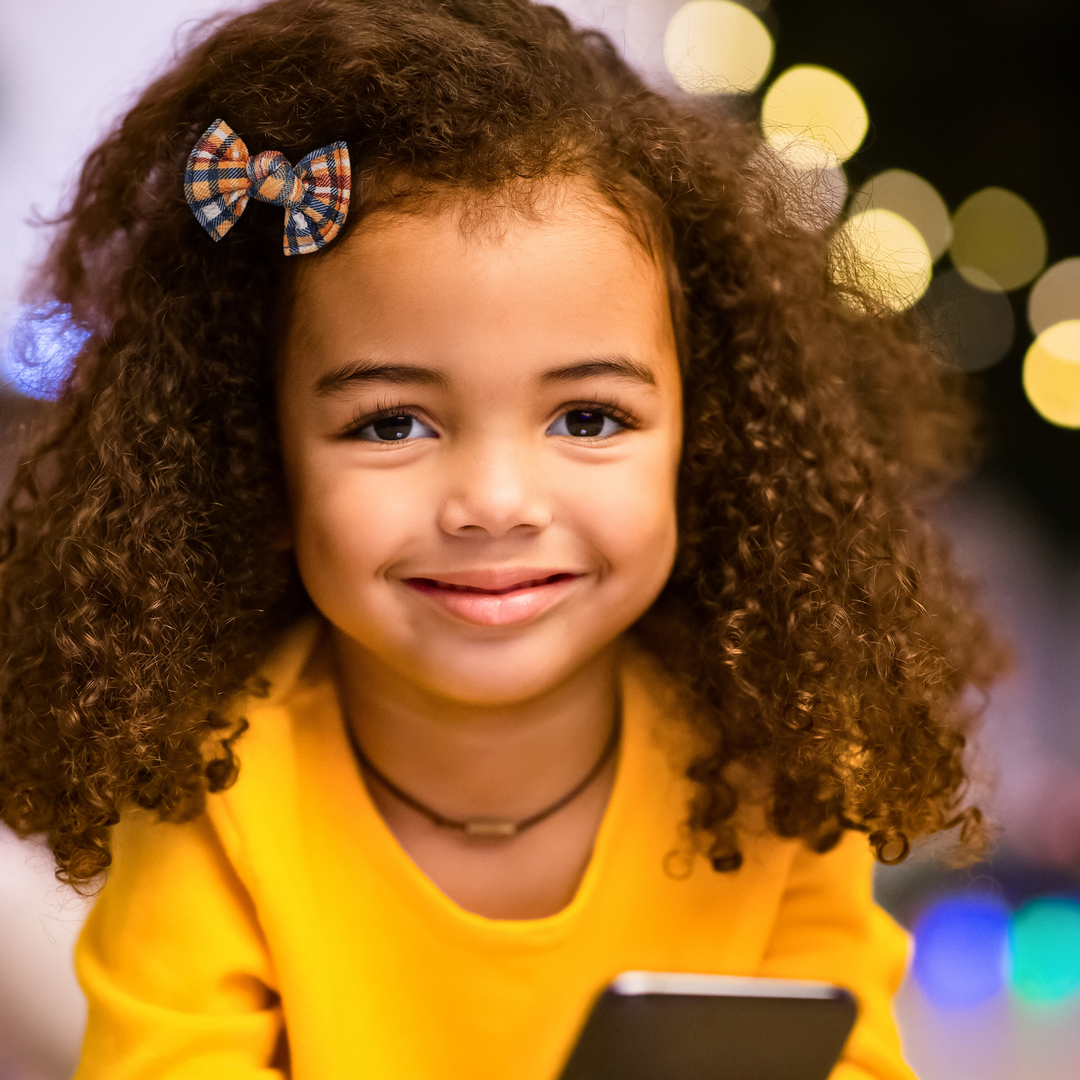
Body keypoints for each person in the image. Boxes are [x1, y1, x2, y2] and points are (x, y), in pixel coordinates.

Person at [0, 1, 1001, 1077]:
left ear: (706, 440)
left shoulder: (784, 773)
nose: (495, 500)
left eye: (588, 418)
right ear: (256, 452)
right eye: (391, 423)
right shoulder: (210, 800)